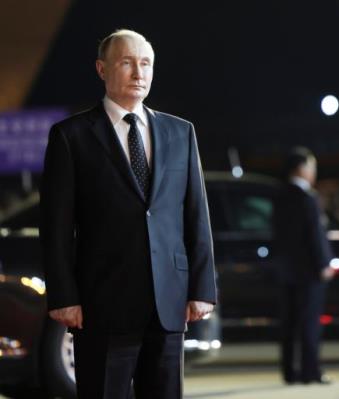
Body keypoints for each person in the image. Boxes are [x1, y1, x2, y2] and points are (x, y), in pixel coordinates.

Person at [40, 29, 217, 399]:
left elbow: (196, 217)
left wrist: (202, 289)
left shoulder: (180, 132)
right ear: (102, 69)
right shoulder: (71, 136)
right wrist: (63, 296)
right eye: (127, 62)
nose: (139, 72)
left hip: (167, 305)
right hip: (101, 305)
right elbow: (56, 226)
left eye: (146, 63)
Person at [272, 147, 336, 385]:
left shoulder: (278, 196)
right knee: (310, 323)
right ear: (301, 169)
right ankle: (311, 371)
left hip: (285, 271)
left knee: (289, 324)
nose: (313, 173)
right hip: (309, 271)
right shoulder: (307, 197)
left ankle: (290, 371)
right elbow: (315, 235)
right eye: (312, 167)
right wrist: (324, 263)